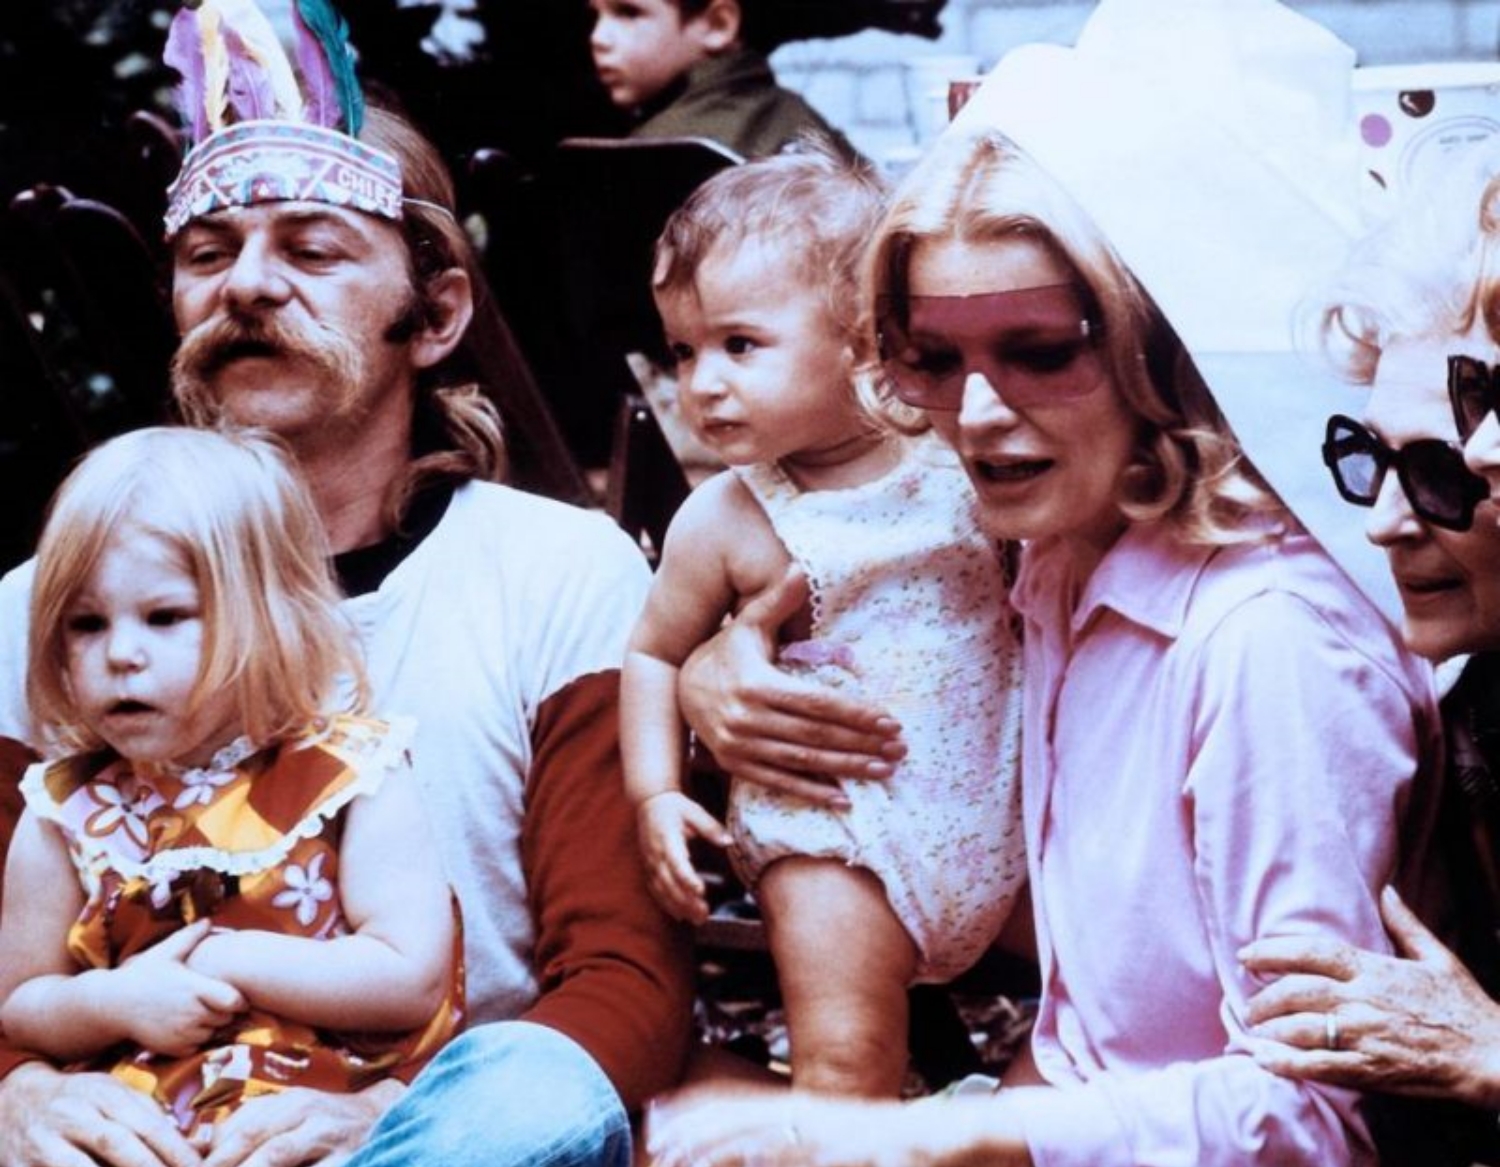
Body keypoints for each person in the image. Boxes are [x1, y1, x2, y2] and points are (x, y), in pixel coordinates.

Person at [645, 13, 1445, 1159]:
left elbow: (1312, 1117)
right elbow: (1085, 1036)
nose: (975, 415)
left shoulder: (1270, 644)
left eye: (1039, 351)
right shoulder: (1049, 552)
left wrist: (934, 1142)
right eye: (932, 358)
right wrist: (710, 675)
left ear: (1161, 349)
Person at [0, 4, 693, 1163]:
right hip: (138, 1131)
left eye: (313, 251)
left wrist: (389, 1123)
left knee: (531, 1093)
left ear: (436, 315)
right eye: (206, 254)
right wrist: (18, 1092)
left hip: (460, 1122)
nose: (248, 286)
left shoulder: (553, 572)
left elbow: (627, 977)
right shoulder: (54, 608)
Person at [621, 148, 1026, 1098]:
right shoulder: (728, 518)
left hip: (997, 810)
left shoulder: (959, 461)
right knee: (844, 1064)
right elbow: (653, 652)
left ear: (861, 338)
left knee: (1120, 997)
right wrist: (655, 791)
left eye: (739, 345)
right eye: (683, 351)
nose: (701, 383)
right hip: (832, 842)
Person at [0, 426, 460, 1142]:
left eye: (165, 617)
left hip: (325, 1125)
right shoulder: (67, 812)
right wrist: (116, 1000)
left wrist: (226, 957)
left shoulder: (348, 776)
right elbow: (22, 1002)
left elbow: (411, 979)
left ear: (267, 618)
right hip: (138, 1136)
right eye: (86, 624)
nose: (122, 653)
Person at [1237, 144, 1500, 1165]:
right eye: (1373, 460)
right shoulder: (1470, 705)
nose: (1385, 520)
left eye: (1438, 472)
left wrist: (1485, 1053)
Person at [587, 0, 858, 161]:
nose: (598, 37)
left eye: (629, 12)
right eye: (596, 15)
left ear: (719, 24)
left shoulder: (670, 147)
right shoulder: (791, 111)